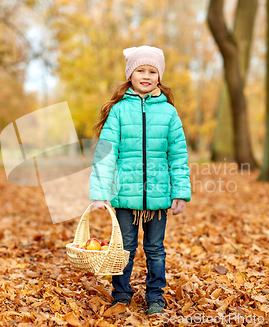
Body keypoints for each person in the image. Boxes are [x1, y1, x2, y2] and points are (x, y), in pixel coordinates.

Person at [89, 45, 191, 316]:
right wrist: (100, 190)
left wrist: (180, 192)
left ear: (159, 76)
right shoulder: (120, 111)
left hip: (158, 198)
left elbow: (178, 155)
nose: (146, 75)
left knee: (156, 250)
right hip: (125, 196)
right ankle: (121, 295)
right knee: (124, 249)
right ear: (130, 75)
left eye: (152, 71)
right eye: (140, 70)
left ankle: (155, 297)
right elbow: (107, 153)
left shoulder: (169, 113)